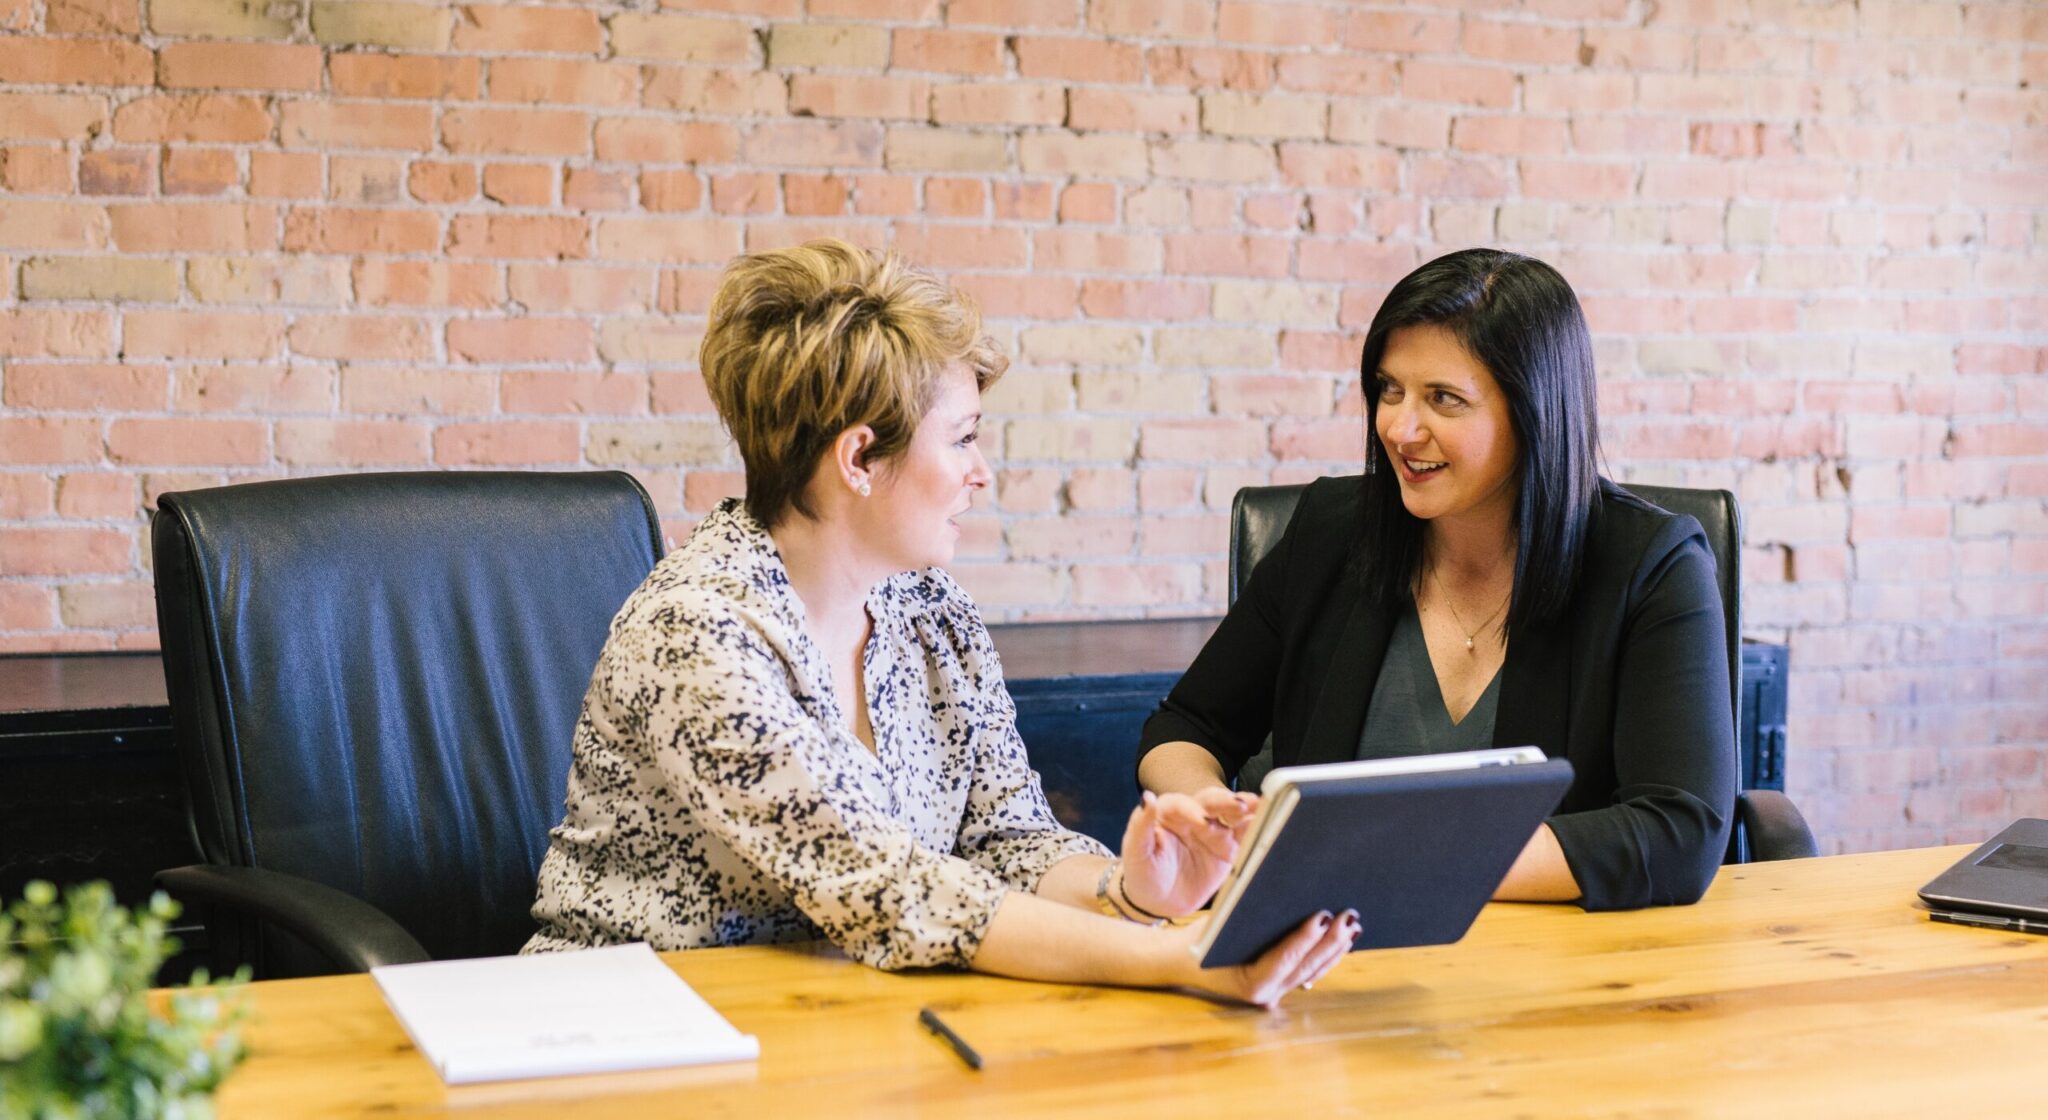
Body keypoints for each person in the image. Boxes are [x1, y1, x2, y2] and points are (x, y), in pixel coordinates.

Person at [525, 239, 1354, 1005]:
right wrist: (1180, 958)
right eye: (961, 439)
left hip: (842, 1017)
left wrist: (1132, 892)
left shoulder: (929, 610)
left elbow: (1008, 839)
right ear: (858, 459)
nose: (981, 473)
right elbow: (890, 888)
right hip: (627, 1027)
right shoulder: (697, 632)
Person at [1137, 249, 1738, 911]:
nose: (1399, 427)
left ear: (1534, 412)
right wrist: (1205, 812)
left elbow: (1679, 830)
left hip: (1554, 967)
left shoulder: (1652, 565)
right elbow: (1186, 726)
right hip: (1323, 956)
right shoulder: (1332, 532)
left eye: (1444, 399)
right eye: (1390, 390)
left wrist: (1390, 861)